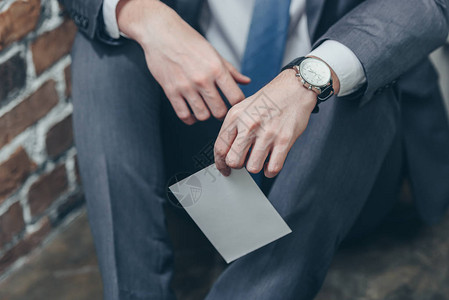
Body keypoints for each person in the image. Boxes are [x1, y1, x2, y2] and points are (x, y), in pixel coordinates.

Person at [60, 0, 449, 299]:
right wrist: (145, 16)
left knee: (361, 77)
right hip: (211, 169)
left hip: (334, 171)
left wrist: (310, 77)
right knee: (105, 48)